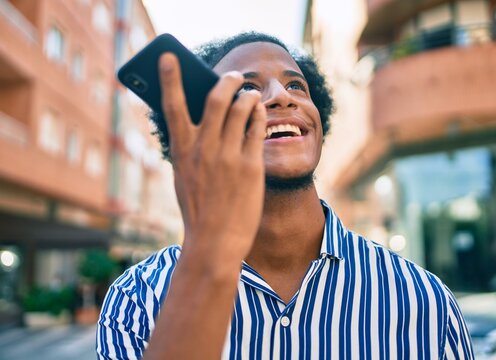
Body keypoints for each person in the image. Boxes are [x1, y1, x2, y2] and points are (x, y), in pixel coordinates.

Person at [97, 32, 474, 359]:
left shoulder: (424, 301)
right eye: (246, 88)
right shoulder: (137, 300)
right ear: (199, 131)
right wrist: (209, 253)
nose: (281, 97)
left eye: (296, 85)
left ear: (318, 122)